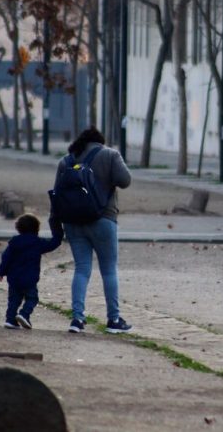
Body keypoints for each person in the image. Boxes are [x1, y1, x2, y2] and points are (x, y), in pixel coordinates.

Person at [53, 126, 132, 334]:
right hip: (103, 219)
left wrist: (56, 225)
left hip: (72, 223)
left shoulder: (66, 161)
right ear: (100, 141)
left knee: (81, 269)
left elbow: (56, 195)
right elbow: (125, 181)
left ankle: (77, 319)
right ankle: (113, 319)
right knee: (108, 270)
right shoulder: (109, 155)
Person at [0, 214, 63, 329]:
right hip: (30, 278)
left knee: (14, 299)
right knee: (32, 298)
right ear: (36, 228)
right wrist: (58, 231)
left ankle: (10, 320)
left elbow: (6, 258)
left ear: (18, 228)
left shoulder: (14, 243)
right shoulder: (37, 243)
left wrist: (2, 272)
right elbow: (54, 243)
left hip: (14, 278)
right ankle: (24, 314)